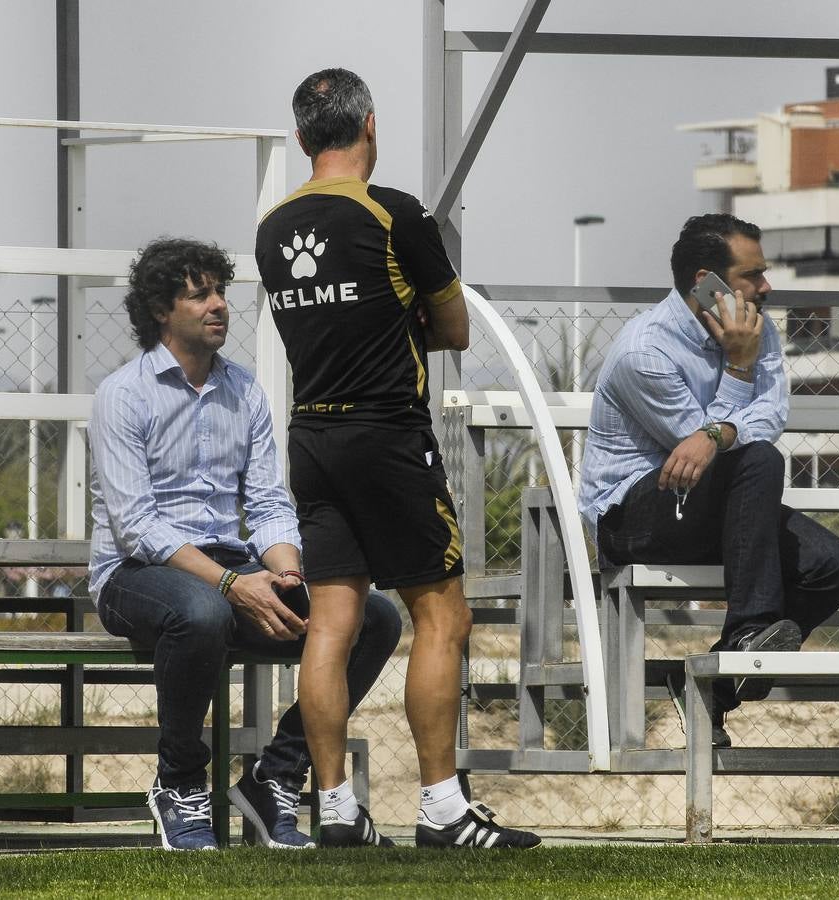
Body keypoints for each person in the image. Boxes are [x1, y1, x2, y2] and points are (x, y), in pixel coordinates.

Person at [255, 68, 540, 849]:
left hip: (312, 436)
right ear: (369, 127)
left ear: (302, 137)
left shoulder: (273, 225)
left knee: (332, 623)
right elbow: (454, 329)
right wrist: (408, 310)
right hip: (386, 433)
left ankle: (336, 808)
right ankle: (443, 807)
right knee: (441, 615)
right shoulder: (396, 213)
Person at [88, 237, 402, 851]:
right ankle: (178, 783)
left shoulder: (246, 391)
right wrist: (234, 585)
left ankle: (275, 773)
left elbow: (266, 504)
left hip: (231, 569)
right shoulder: (123, 395)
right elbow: (136, 527)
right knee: (201, 613)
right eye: (199, 293)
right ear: (160, 310)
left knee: (371, 617)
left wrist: (282, 572)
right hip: (133, 574)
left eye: (221, 291)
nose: (218, 305)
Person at [578, 213, 839, 748]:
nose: (766, 286)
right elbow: (701, 449)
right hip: (634, 515)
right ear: (707, 282)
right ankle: (748, 633)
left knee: (836, 568)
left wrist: (718, 431)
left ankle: (714, 684)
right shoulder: (646, 351)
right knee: (760, 462)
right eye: (752, 275)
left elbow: (769, 415)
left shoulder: (757, 326)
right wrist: (736, 371)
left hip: (715, 504)